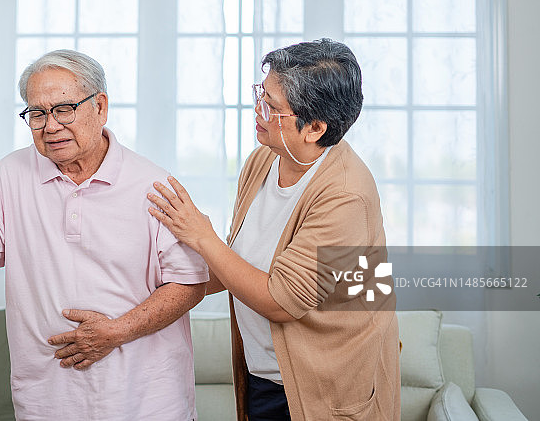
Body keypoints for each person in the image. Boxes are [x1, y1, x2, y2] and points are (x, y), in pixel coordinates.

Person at [0, 49, 208, 420]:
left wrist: (116, 331)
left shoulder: (153, 184)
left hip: (147, 399)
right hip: (45, 399)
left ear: (100, 107)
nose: (51, 126)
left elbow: (190, 283)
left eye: (64, 109)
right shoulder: (7, 176)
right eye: (37, 114)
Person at [149, 39, 400, 421]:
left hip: (323, 385)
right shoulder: (265, 157)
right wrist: (159, 284)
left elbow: (282, 302)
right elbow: (239, 263)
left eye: (271, 106)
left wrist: (201, 236)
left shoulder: (347, 195)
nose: (257, 110)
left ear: (314, 127)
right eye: (259, 94)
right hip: (264, 373)